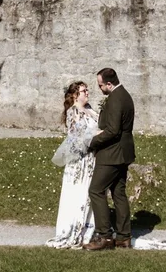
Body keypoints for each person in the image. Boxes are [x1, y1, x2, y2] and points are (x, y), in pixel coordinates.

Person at [83, 67, 135, 251]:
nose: (99, 88)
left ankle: (104, 236)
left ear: (109, 84)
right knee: (119, 194)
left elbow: (113, 131)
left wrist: (91, 142)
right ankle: (123, 237)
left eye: (100, 85)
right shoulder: (125, 96)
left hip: (111, 154)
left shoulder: (115, 100)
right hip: (124, 152)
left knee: (96, 190)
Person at [46, 81, 98, 248]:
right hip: (79, 160)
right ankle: (73, 228)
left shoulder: (90, 109)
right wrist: (96, 135)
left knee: (90, 193)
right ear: (75, 95)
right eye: (84, 91)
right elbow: (75, 138)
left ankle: (89, 229)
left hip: (91, 158)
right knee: (78, 192)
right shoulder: (73, 112)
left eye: (87, 90)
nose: (87, 93)